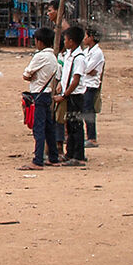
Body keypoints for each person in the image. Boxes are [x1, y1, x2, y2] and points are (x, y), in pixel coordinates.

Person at [21, 29, 64, 167]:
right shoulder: (54, 57)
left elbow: (26, 74)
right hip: (47, 94)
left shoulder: (40, 56)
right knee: (49, 127)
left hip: (38, 94)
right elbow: (58, 76)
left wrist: (31, 77)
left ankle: (38, 160)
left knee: (38, 128)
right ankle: (53, 157)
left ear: (39, 41)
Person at [57, 26, 90, 167]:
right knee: (70, 125)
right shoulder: (69, 55)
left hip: (75, 96)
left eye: (65, 39)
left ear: (71, 41)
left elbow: (75, 80)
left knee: (76, 126)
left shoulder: (79, 58)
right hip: (69, 94)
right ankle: (69, 153)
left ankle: (79, 156)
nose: (64, 42)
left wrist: (64, 95)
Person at [75, 25, 105, 147]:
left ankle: (92, 137)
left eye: (86, 36)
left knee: (88, 111)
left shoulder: (97, 53)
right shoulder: (86, 51)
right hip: (85, 83)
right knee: (84, 110)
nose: (84, 39)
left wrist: (85, 70)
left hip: (91, 85)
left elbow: (85, 67)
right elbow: (84, 68)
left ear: (91, 37)